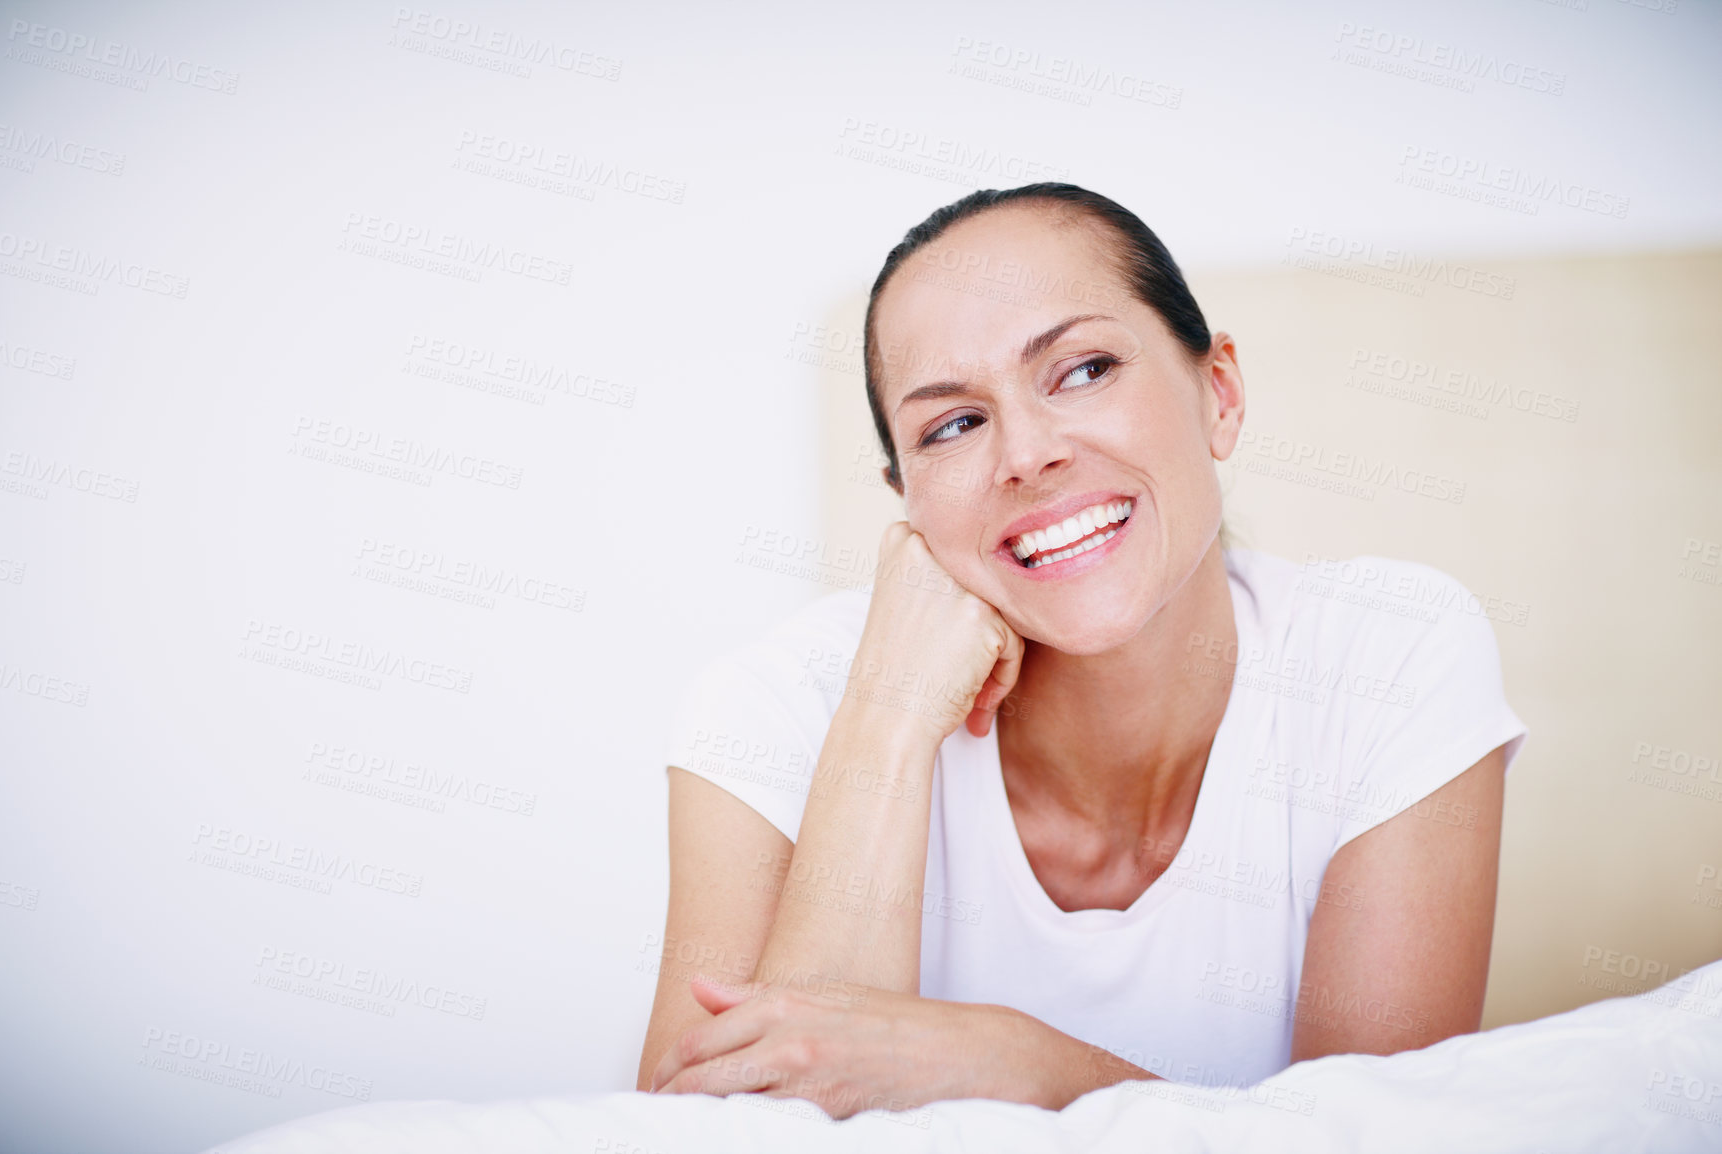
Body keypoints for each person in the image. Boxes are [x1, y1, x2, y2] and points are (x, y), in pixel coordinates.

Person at [636, 183, 1528, 1119]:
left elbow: (1376, 1142)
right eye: (953, 425)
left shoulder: (1388, 655)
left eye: (1084, 369)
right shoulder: (772, 709)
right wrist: (889, 718)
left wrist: (1021, 1066)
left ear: (1217, 393)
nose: (1025, 454)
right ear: (908, 501)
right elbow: (734, 1136)